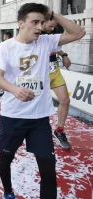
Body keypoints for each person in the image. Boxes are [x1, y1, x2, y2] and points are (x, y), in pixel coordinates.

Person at [0, 3, 85, 199]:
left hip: (40, 118)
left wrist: (53, 14)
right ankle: (8, 191)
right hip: (13, 116)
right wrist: (14, 89)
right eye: (34, 22)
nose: (39, 27)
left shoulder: (46, 42)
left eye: (42, 22)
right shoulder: (5, 47)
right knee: (6, 157)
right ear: (21, 23)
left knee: (48, 169)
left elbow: (79, 32)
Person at [43, 20, 72, 149]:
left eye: (54, 27)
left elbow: (57, 47)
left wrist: (64, 54)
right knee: (35, 103)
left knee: (65, 101)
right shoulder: (36, 32)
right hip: (39, 73)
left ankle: (59, 131)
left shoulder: (53, 33)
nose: (52, 29)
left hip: (54, 70)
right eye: (51, 26)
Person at [0, 32, 13, 97]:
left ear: (6, 37)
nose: (3, 37)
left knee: (5, 78)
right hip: (11, 64)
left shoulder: (3, 44)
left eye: (3, 36)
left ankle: (6, 91)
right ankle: (5, 91)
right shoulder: (14, 43)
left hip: (6, 64)